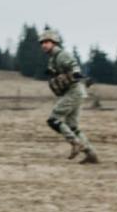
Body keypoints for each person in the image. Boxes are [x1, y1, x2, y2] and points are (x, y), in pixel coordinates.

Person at [41, 29, 99, 164]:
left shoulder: (62, 55)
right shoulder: (53, 58)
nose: (44, 44)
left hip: (74, 91)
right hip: (75, 91)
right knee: (72, 126)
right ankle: (91, 154)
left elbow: (74, 67)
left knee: (54, 120)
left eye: (47, 42)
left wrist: (76, 75)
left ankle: (75, 143)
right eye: (42, 42)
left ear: (54, 43)